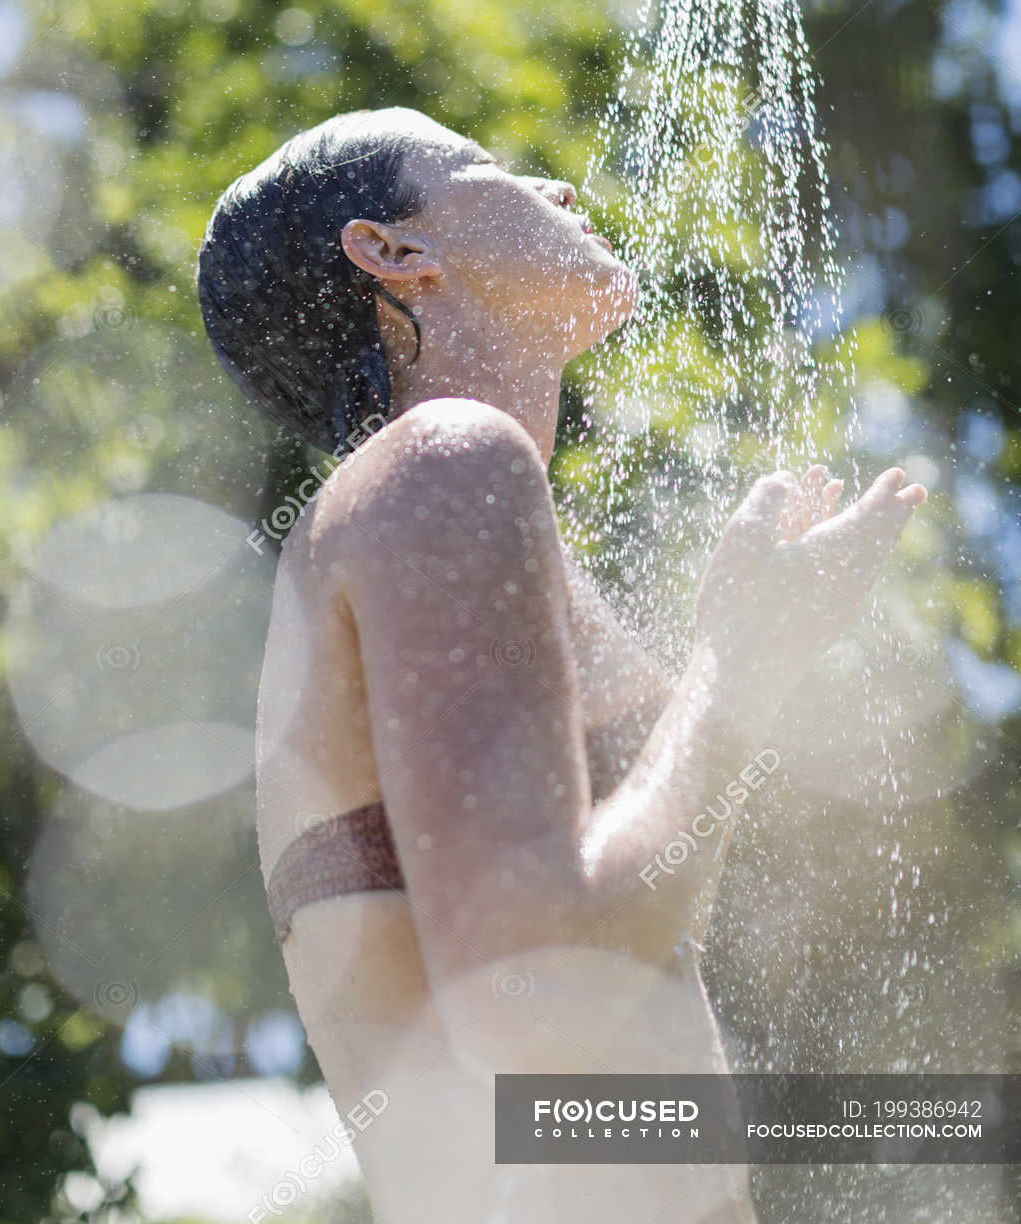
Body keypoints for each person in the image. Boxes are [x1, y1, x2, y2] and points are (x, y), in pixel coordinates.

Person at [196, 105, 927, 1224]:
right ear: (393, 253)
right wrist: (744, 664)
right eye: (486, 169)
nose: (561, 191)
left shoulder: (408, 512)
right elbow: (537, 981)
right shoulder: (447, 461)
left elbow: (619, 963)